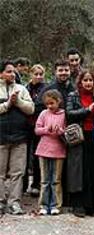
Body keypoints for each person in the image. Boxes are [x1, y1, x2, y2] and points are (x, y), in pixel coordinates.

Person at [65, 70, 94, 217]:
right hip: (78, 137)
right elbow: (69, 114)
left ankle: (92, 204)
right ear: (80, 82)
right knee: (78, 171)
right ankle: (78, 204)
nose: (88, 83)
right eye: (85, 80)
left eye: (90, 80)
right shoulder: (72, 96)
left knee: (93, 170)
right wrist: (88, 109)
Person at [0, 60, 34, 215]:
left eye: (13, 71)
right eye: (8, 71)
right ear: (1, 74)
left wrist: (18, 102)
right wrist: (7, 104)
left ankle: (14, 202)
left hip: (19, 137)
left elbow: (31, 109)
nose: (12, 74)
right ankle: (1, 202)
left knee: (17, 172)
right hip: (1, 138)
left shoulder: (21, 89)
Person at [34, 90, 66, 215]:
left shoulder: (64, 115)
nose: (49, 106)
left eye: (52, 103)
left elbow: (66, 130)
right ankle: (43, 204)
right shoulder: (43, 113)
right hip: (43, 150)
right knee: (45, 180)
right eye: (47, 104)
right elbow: (37, 130)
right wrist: (46, 129)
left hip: (58, 150)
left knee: (56, 180)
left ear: (58, 101)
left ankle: (55, 205)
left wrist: (60, 131)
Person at [24, 64, 47, 197]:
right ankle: (23, 184)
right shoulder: (25, 88)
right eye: (36, 74)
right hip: (25, 126)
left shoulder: (45, 88)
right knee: (25, 155)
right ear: (31, 75)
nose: (38, 77)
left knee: (37, 154)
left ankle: (36, 184)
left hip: (39, 125)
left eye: (41, 74)